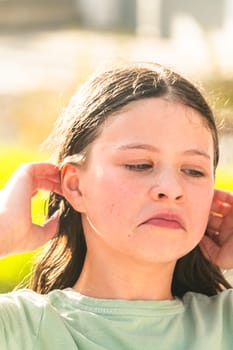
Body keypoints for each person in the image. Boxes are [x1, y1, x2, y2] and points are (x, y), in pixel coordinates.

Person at [0, 61, 233, 349]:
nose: (172, 190)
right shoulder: (17, 329)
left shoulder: (225, 323)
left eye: (194, 171)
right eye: (139, 165)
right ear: (74, 185)